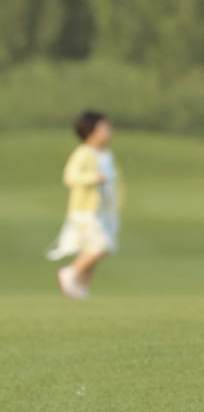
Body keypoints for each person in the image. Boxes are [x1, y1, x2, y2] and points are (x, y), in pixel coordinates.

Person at [47, 110, 121, 300]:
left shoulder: (106, 155)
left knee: (91, 250)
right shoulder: (83, 153)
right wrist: (93, 177)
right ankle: (70, 273)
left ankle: (81, 290)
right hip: (86, 211)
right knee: (100, 246)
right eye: (104, 129)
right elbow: (70, 176)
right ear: (90, 132)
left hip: (103, 210)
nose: (109, 132)